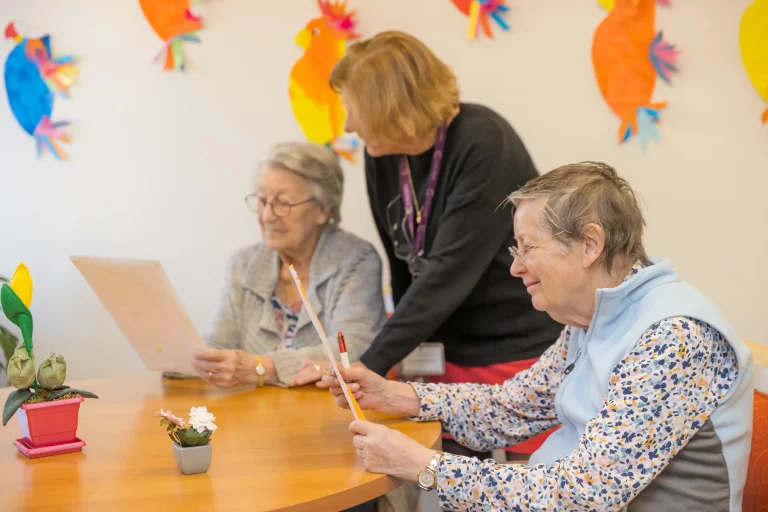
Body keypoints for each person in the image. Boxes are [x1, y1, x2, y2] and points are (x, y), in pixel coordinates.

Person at [321, 162, 754, 511]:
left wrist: (425, 467)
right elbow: (512, 409)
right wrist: (403, 397)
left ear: (589, 245)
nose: (515, 267)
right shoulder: (592, 320)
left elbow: (585, 495)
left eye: (528, 248)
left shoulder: (673, 338)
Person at [313, 29, 563, 461]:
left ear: (390, 106)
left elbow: (448, 272)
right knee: (457, 488)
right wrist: (395, 358)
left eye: (355, 110)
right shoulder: (382, 153)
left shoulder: (483, 140)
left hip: (516, 349)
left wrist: (371, 363)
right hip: (445, 350)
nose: (349, 125)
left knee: (528, 488)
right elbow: (402, 262)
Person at [191, 141, 386, 389]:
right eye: (262, 201)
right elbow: (218, 343)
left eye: (283, 203)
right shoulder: (244, 264)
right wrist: (189, 357)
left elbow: (352, 349)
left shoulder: (356, 261)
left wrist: (265, 368)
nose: (267, 216)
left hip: (328, 419)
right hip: (251, 416)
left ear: (323, 209)